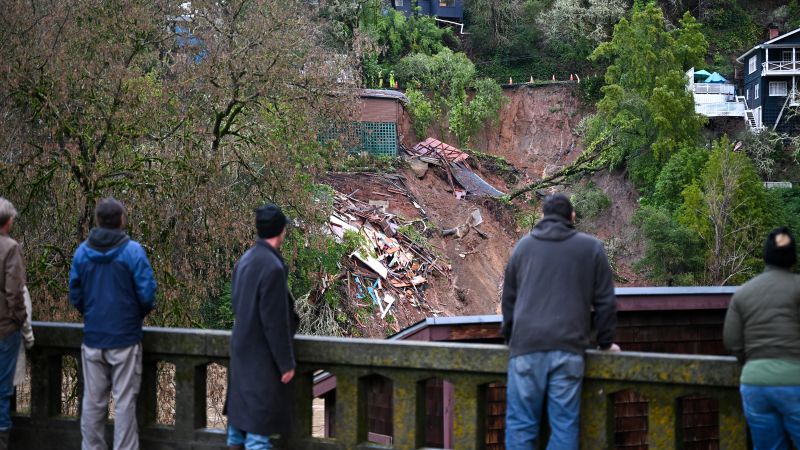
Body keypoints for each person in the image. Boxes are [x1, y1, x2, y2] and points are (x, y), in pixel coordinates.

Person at [501, 193, 618, 450]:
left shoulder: (523, 247)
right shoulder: (591, 248)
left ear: (543, 216)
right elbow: (606, 301)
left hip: (526, 348)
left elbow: (509, 299)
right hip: (568, 349)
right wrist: (605, 342)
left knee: (521, 425)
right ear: (572, 217)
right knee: (564, 426)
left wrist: (510, 336)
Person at [69, 198, 156, 450]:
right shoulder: (133, 252)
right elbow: (147, 294)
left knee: (92, 403)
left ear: (97, 221)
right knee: (125, 403)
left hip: (94, 338)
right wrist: (133, 316)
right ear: (121, 221)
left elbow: (76, 294)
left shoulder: (82, 252)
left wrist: (93, 314)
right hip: (125, 339)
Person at [226, 204, 299, 450]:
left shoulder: (244, 261)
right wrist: (286, 363)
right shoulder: (273, 267)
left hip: (240, 351)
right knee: (258, 434)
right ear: (280, 231)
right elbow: (274, 321)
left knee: (237, 429)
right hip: (262, 359)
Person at [723, 227, 800, 449]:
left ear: (765, 256)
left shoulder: (743, 293)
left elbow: (732, 342)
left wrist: (756, 363)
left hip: (755, 383)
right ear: (793, 256)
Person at [0, 198, 26, 449]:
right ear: (8, 221)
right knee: (2, 391)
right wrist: (20, 320)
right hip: (4, 330)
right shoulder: (10, 248)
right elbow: (14, 292)